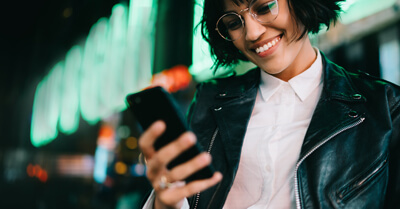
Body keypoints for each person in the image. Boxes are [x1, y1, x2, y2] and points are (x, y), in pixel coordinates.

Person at [139, 0, 400, 208]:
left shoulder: (384, 107)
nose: (252, 33)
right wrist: (166, 201)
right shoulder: (210, 101)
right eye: (233, 22)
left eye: (264, 7)